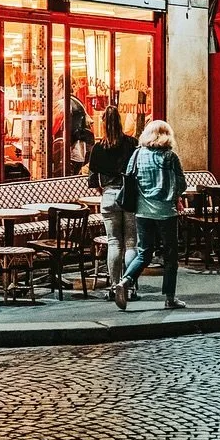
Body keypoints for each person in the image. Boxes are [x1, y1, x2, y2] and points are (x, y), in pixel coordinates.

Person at [113, 119, 188, 311]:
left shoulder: (137, 154)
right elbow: (181, 184)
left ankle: (124, 281)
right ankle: (170, 298)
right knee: (170, 256)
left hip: (143, 212)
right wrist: (174, 196)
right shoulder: (170, 157)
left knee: (144, 252)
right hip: (166, 213)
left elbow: (129, 178)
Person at [88, 105, 139, 301]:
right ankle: (130, 285)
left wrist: (105, 190)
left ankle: (114, 285)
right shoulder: (132, 143)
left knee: (114, 243)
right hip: (129, 197)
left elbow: (93, 180)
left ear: (103, 124)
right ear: (120, 121)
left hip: (109, 197)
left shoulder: (98, 148)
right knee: (131, 243)